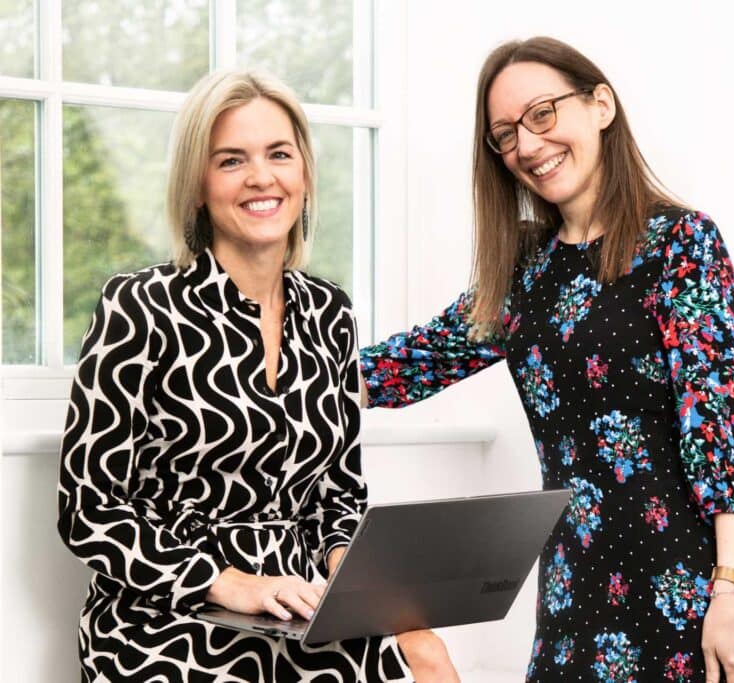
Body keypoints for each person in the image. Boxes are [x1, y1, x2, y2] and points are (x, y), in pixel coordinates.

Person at [360, 37, 734, 682]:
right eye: (504, 134)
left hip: (689, 603)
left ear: (600, 104)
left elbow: (724, 428)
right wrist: (270, 359)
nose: (526, 145)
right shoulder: (523, 272)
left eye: (542, 114)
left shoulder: (681, 243)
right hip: (571, 609)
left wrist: (731, 590)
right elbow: (406, 365)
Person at [57, 69, 458, 683]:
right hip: (171, 615)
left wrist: (376, 603)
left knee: (428, 659)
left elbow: (340, 499)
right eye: (230, 161)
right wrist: (225, 582)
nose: (260, 177)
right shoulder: (139, 306)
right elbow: (89, 510)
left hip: (303, 608)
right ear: (197, 186)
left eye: (278, 154)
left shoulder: (331, 312)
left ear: (303, 175)